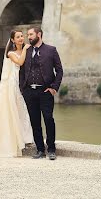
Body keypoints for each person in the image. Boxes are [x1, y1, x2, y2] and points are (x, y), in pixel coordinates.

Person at [19, 26, 63, 160]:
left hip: (45, 91)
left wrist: (54, 87)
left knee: (48, 119)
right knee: (34, 121)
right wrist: (23, 88)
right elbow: (22, 71)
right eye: (28, 35)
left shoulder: (51, 50)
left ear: (39, 34)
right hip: (29, 92)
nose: (29, 37)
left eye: (31, 34)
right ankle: (40, 150)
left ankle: (51, 149)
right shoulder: (26, 50)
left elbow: (59, 70)